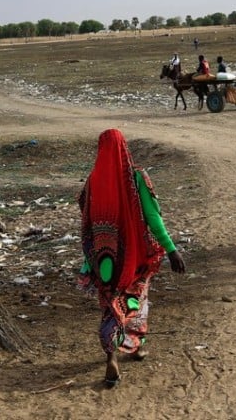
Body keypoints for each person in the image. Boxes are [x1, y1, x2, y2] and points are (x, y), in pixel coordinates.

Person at [78, 129, 186, 387]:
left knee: (109, 306)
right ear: (124, 147)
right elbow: (152, 217)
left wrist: (88, 261)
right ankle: (137, 346)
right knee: (136, 302)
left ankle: (111, 355)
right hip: (135, 258)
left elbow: (86, 223)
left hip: (103, 261)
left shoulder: (92, 182)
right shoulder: (137, 176)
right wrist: (171, 250)